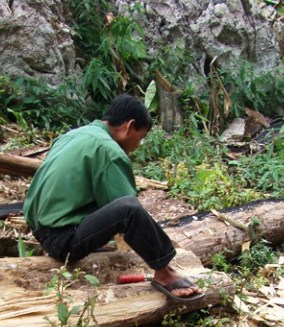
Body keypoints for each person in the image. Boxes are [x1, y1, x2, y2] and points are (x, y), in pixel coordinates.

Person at [23, 93, 203, 302]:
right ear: (129, 126)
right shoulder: (108, 150)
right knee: (129, 209)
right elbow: (127, 211)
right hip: (62, 242)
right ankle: (165, 272)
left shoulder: (74, 135)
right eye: (140, 138)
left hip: (41, 231)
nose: (138, 145)